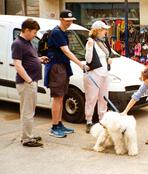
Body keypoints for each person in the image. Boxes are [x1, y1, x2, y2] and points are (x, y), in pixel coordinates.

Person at [44, 10, 88, 138]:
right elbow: (66, 51)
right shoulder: (57, 32)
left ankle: (59, 123)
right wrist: (81, 65)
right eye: (67, 21)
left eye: (71, 21)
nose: (70, 23)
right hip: (56, 67)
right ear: (61, 19)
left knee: (62, 97)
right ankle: (54, 127)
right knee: (57, 98)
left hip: (63, 67)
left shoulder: (63, 32)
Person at [11, 19, 49, 147]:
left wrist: (39, 59)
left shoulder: (27, 42)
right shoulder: (18, 44)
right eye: (33, 32)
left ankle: (28, 134)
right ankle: (26, 138)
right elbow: (18, 65)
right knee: (27, 112)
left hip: (31, 81)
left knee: (29, 111)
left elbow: (28, 59)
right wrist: (29, 80)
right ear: (26, 30)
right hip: (26, 83)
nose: (34, 35)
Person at [84, 21, 112, 133]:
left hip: (104, 73)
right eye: (104, 29)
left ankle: (103, 120)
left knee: (104, 98)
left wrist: (108, 61)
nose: (106, 31)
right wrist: (90, 47)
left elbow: (106, 55)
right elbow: (89, 60)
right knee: (91, 98)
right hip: (94, 74)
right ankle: (89, 121)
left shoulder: (103, 42)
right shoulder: (90, 42)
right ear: (98, 30)